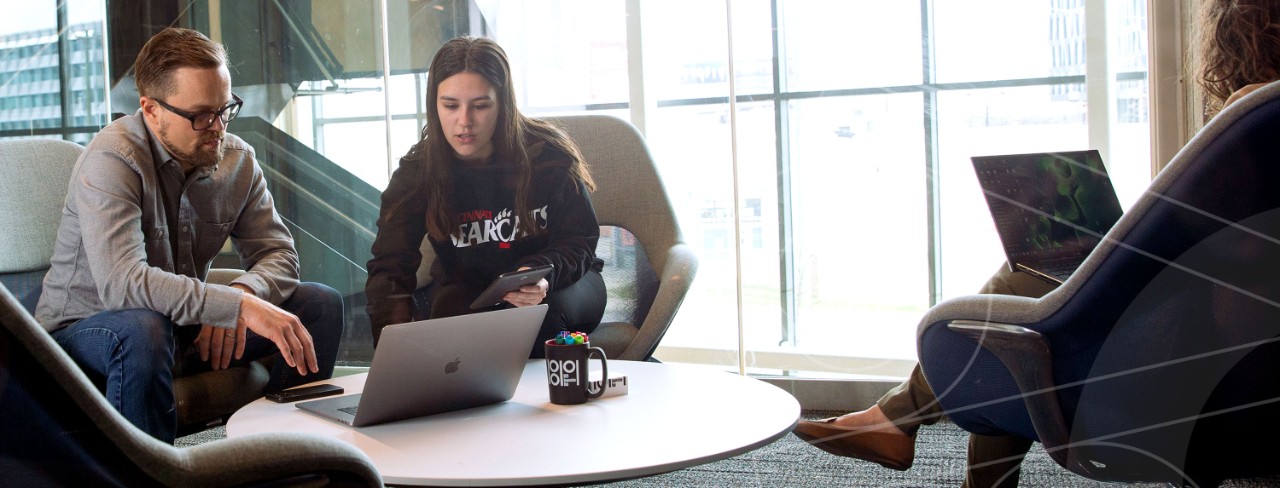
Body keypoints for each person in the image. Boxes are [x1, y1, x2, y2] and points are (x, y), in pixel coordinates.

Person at [793, 0, 1280, 486]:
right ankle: (895, 420)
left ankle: (896, 419)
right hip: (1235, 357)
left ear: (1237, 38)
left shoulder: (1260, 111)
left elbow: (1214, 250)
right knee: (1021, 299)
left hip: (1199, 364)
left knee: (1008, 308)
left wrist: (1112, 250)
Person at [34, 27, 341, 444]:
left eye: (224, 109)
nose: (217, 127)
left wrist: (243, 291)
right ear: (150, 109)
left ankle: (284, 458)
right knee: (143, 329)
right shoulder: (113, 159)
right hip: (85, 335)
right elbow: (124, 286)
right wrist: (234, 307)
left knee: (320, 304)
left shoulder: (237, 161)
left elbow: (280, 254)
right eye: (200, 115)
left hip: (176, 329)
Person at [365, 36, 606, 359]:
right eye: (450, 105)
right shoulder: (418, 170)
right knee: (451, 323)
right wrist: (389, 354)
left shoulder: (546, 155)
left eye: (480, 105)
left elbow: (580, 241)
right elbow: (390, 266)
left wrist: (542, 275)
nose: (464, 121)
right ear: (434, 104)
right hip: (473, 288)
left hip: (561, 283)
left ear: (503, 103)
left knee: (539, 319)